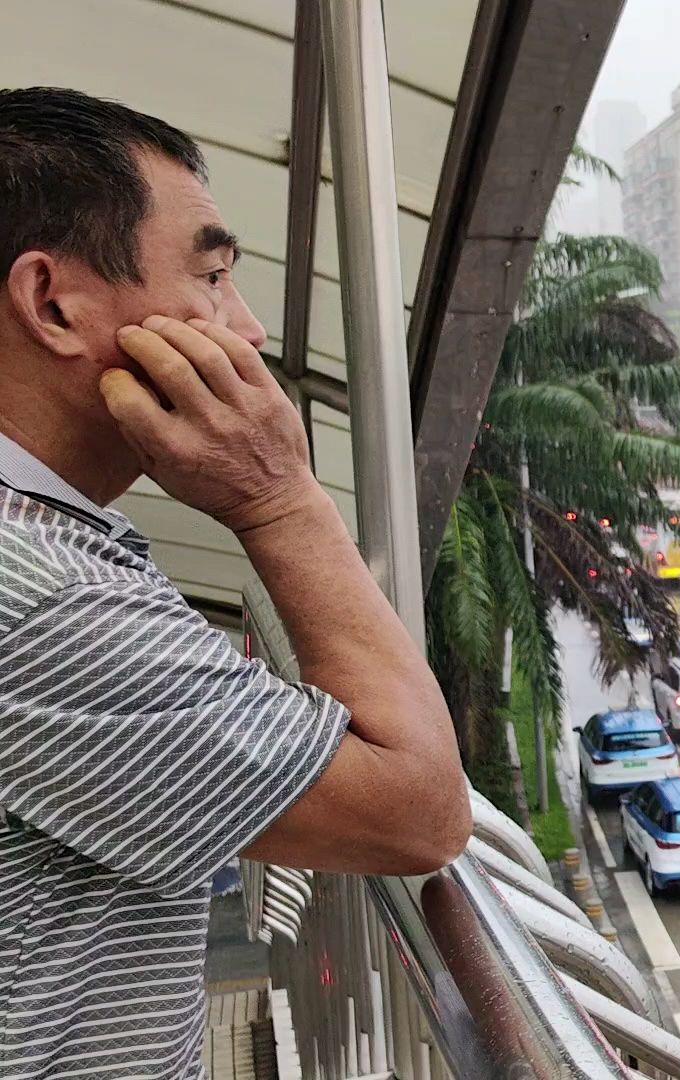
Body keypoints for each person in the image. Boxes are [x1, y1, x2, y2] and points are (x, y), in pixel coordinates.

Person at [0, 87, 470, 1076]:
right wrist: (280, 500)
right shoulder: (44, 601)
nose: (247, 330)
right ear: (52, 303)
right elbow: (420, 810)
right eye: (212, 276)